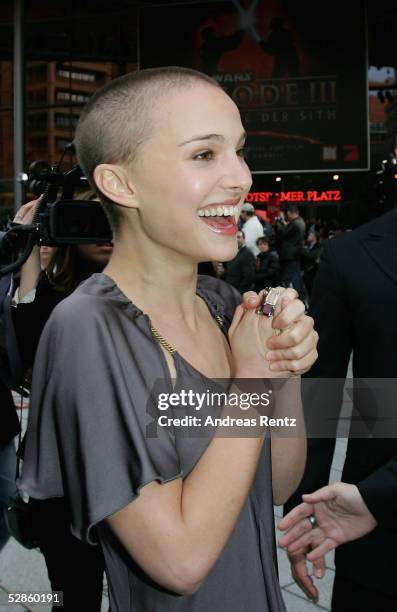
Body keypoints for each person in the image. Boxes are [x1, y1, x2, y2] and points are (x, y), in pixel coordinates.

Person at [19, 66, 318, 612]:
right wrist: (252, 379)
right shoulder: (88, 328)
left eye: (239, 151)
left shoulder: (222, 303)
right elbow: (179, 562)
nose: (241, 177)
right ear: (120, 183)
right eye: (205, 154)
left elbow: (276, 485)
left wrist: (283, 370)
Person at [283, 203, 397, 611]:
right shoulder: (350, 254)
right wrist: (304, 514)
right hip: (375, 541)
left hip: (373, 502)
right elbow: (322, 395)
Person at [11, 192, 109, 611]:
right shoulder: (53, 296)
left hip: (137, 473)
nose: (106, 231)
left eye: (116, 218)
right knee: (70, 596)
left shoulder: (160, 295)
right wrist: (27, 238)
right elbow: (27, 336)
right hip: (64, 480)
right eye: (91, 219)